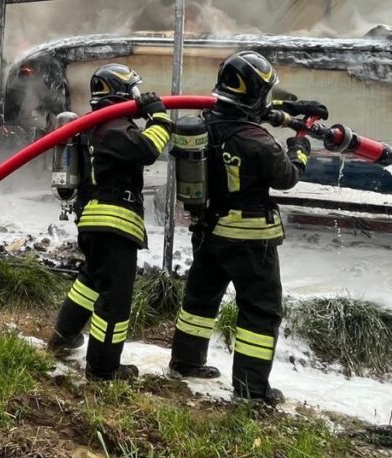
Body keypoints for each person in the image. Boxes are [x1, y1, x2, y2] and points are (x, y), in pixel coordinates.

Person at [168, 51, 327, 405]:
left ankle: (185, 362)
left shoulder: (203, 124)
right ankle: (252, 390)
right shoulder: (257, 140)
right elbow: (287, 176)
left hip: (209, 231)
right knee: (260, 311)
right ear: (255, 94)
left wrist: (292, 107)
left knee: (200, 299)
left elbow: (255, 109)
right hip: (251, 238)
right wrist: (301, 145)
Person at [48, 63, 173, 381]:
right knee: (114, 298)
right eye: (132, 90)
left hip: (94, 222)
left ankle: (64, 336)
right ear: (120, 93)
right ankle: (103, 368)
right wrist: (158, 116)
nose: (136, 96)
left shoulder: (95, 127)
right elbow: (148, 149)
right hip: (115, 222)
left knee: (90, 280)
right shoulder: (114, 127)